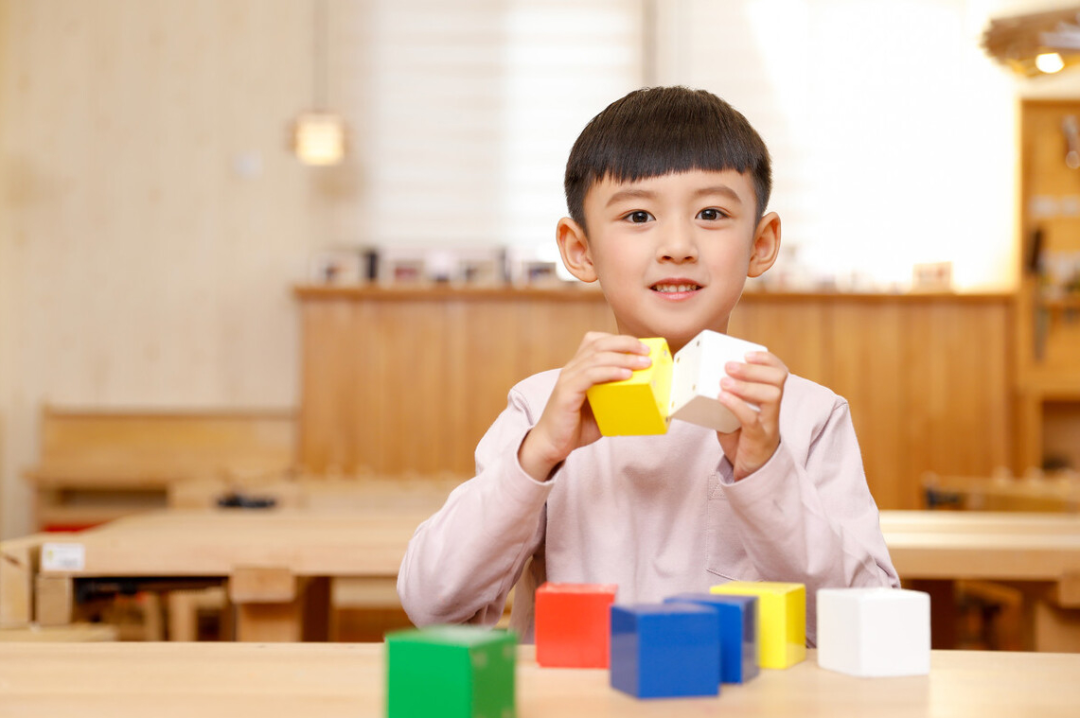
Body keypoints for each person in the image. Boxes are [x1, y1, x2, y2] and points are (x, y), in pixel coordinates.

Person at [397, 86, 899, 644]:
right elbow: (432, 604)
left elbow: (871, 621)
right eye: (638, 215)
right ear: (580, 250)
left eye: (711, 213)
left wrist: (765, 470)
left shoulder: (806, 415)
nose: (678, 245)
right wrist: (537, 455)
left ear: (761, 243)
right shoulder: (542, 408)